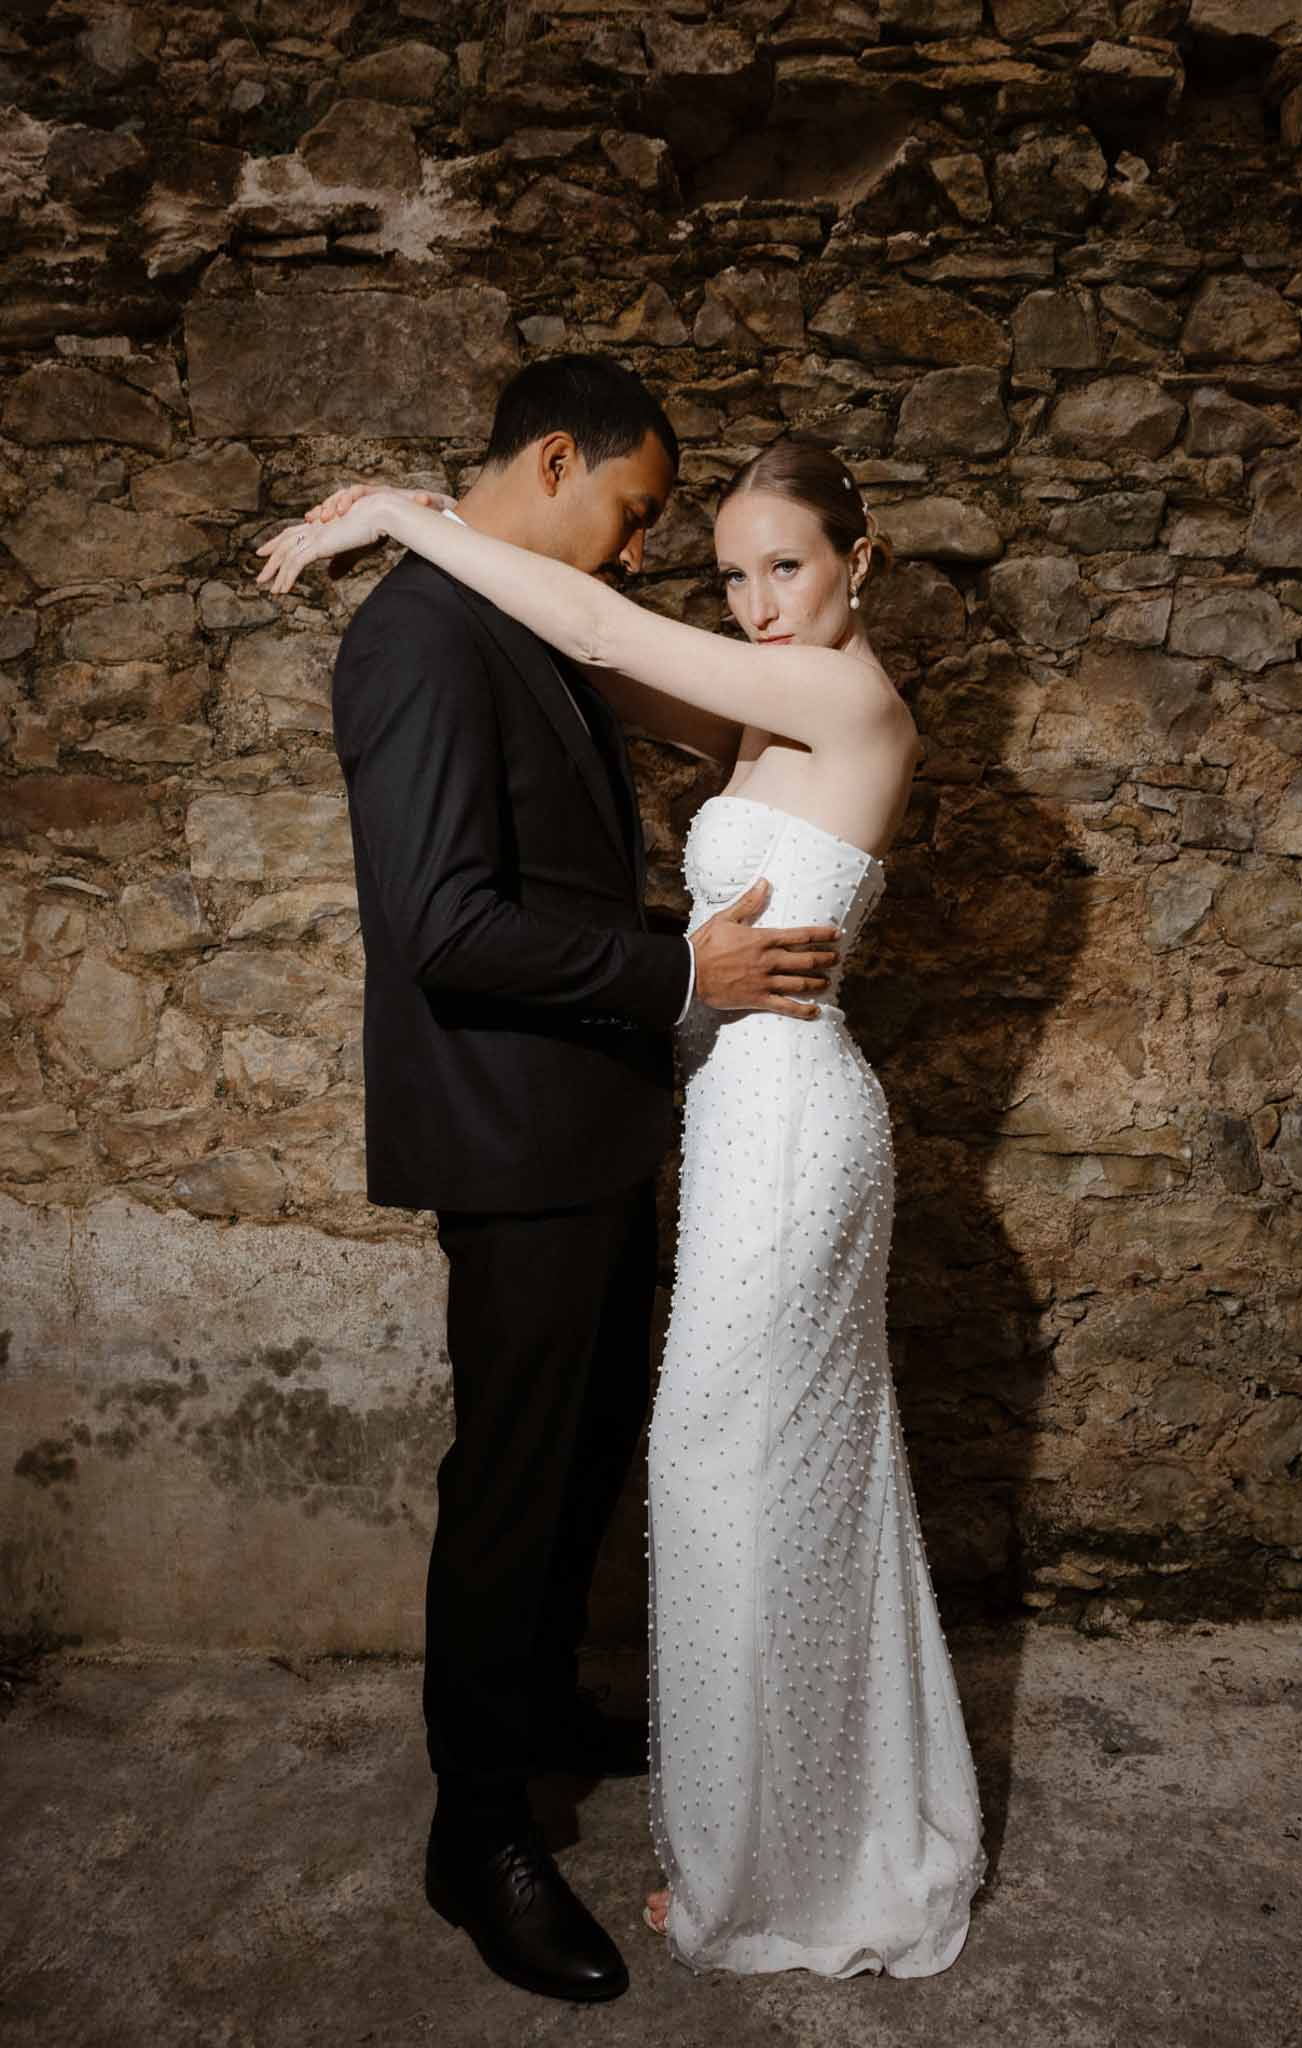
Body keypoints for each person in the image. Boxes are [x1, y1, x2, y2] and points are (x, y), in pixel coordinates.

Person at [259, 428, 986, 1981]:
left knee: (737, 1466)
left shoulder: (841, 695)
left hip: (791, 1124)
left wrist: (404, 512)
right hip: (727, 1118)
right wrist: (438, 557)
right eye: (731, 576)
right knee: (739, 1467)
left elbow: (593, 624)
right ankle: (765, 1807)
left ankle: (782, 1859)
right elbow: (584, 659)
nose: (756, 602)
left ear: (860, 559)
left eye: (783, 565)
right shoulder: (761, 701)